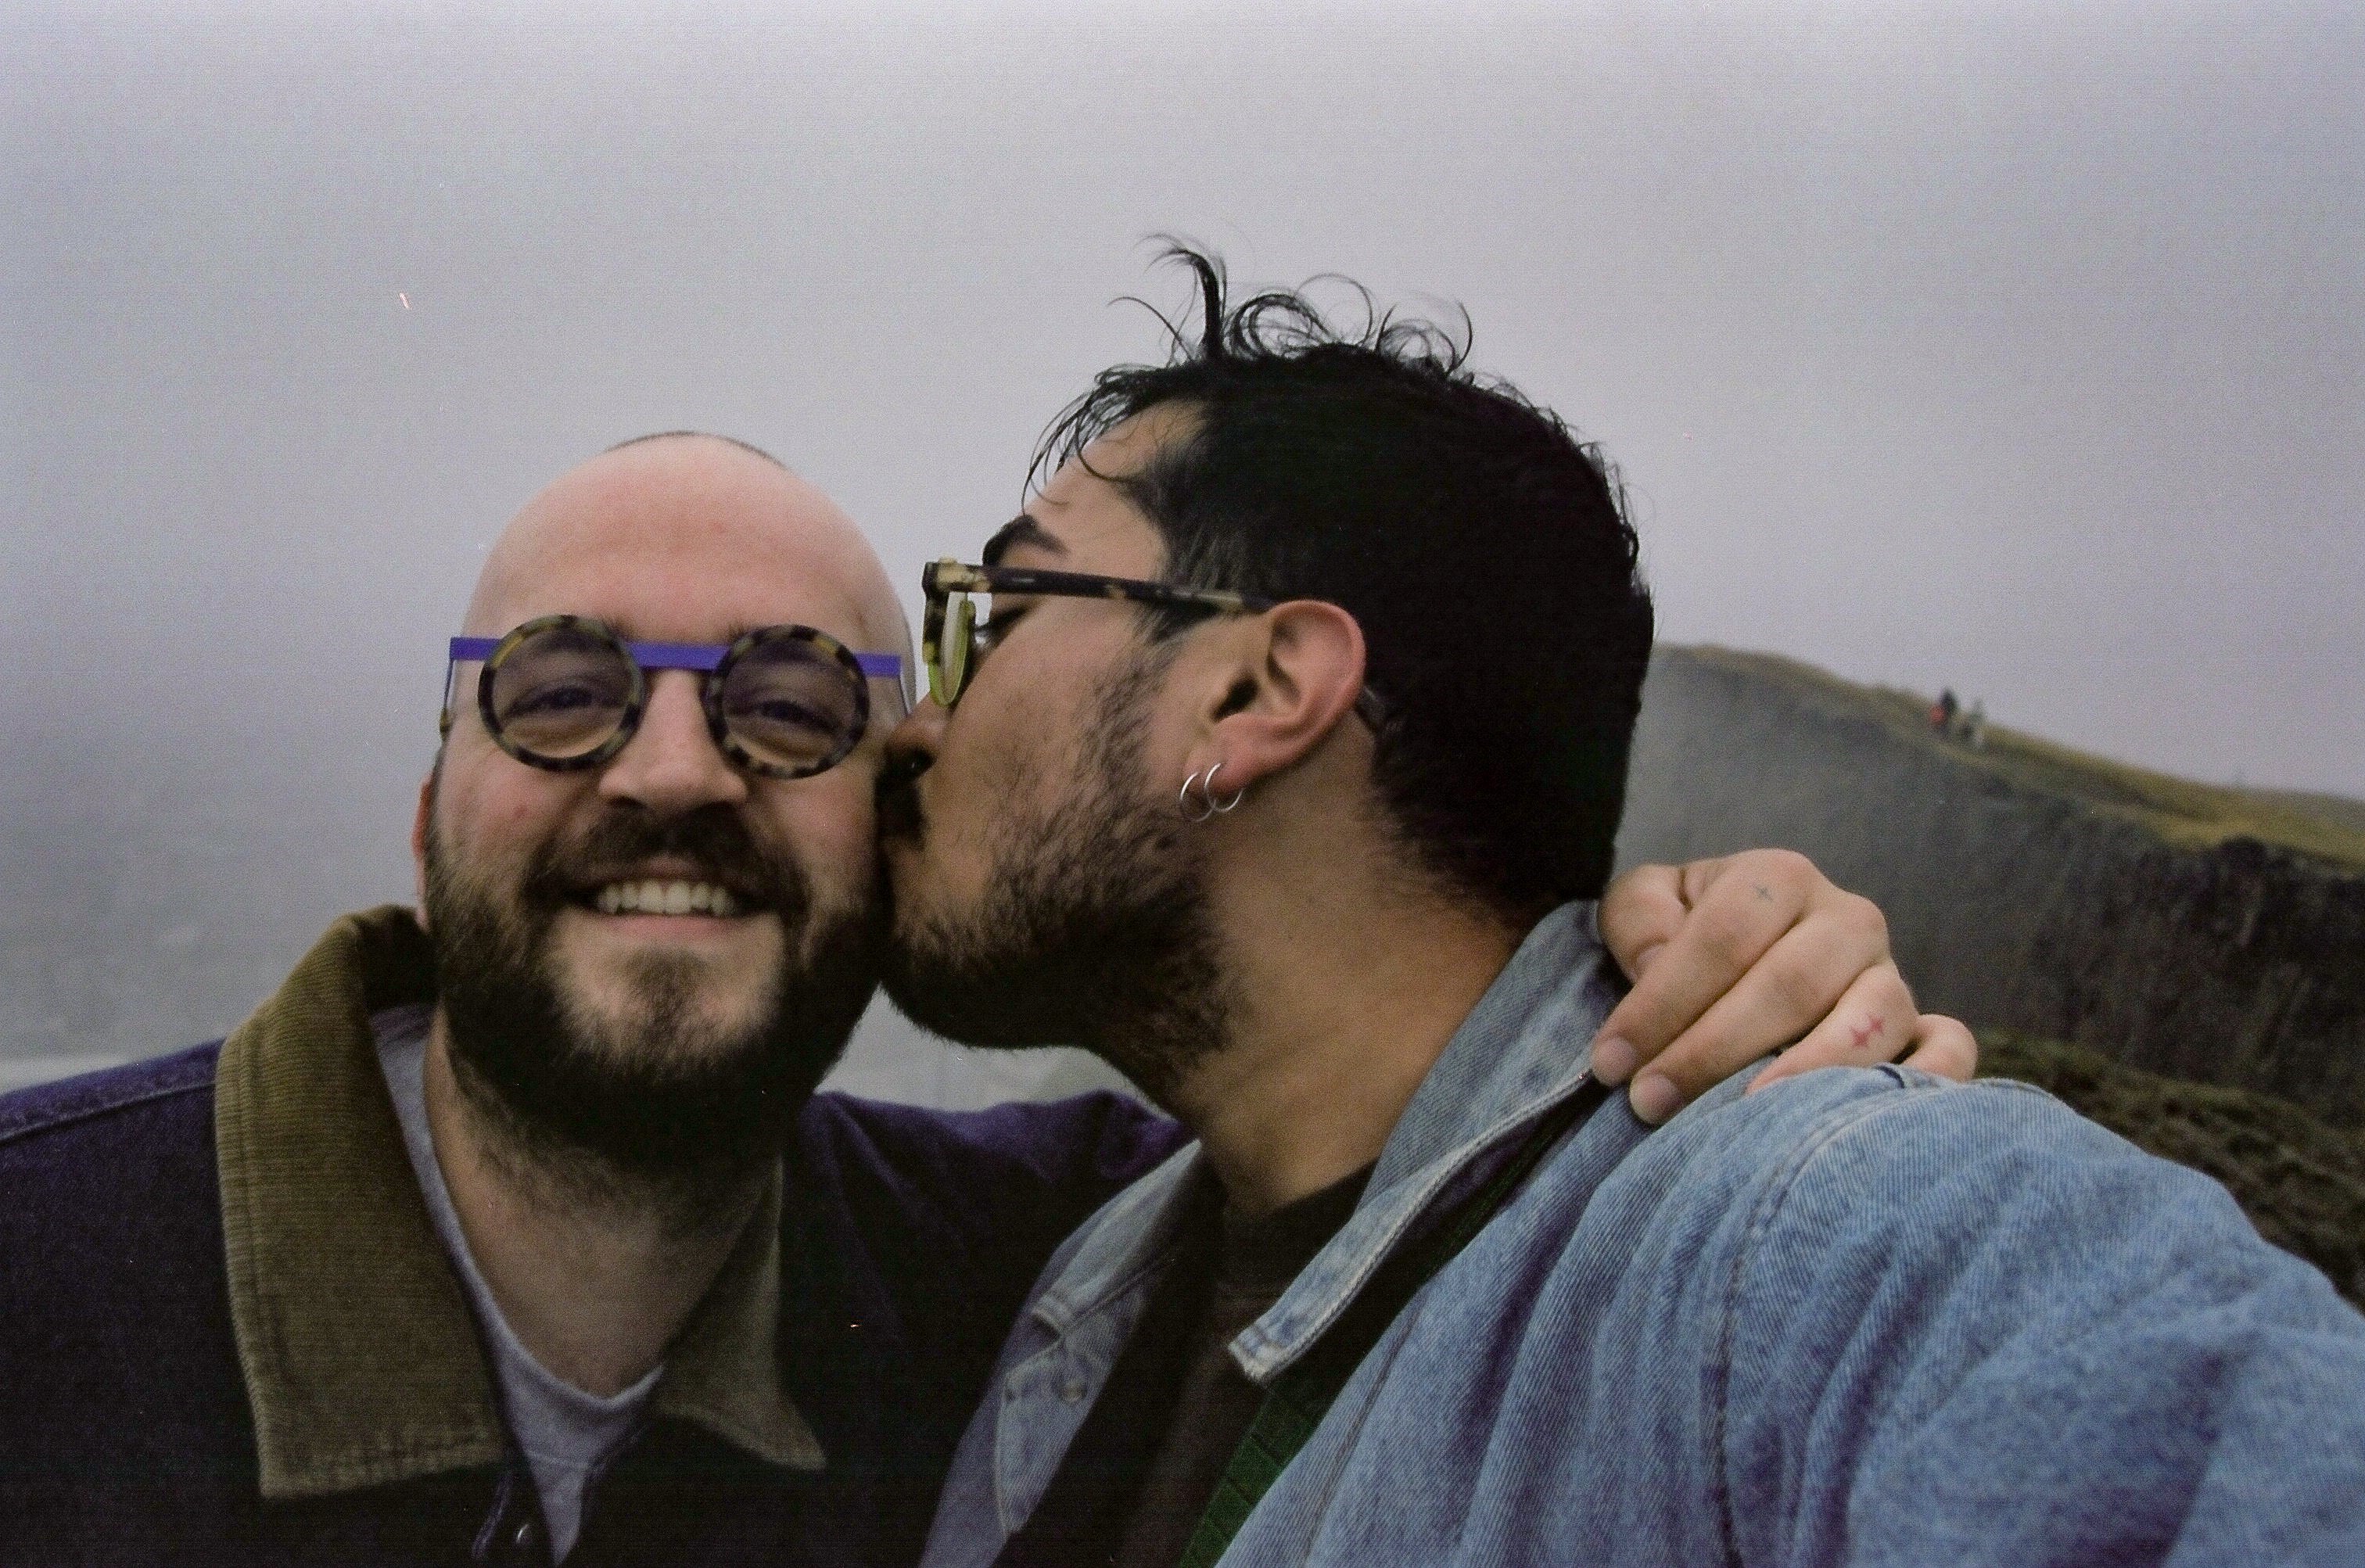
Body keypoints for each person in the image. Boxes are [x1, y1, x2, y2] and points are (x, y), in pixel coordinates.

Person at [0, 432, 1969, 1566]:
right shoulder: (39, 1271)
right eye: (561, 687)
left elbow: (1397, 1146)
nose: (671, 772)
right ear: (434, 804)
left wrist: (1728, 962)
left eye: (787, 704)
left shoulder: (1040, 1287)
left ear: (892, 815)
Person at [881, 253, 2365, 1568]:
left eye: (998, 613)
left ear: (1255, 689)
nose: (918, 723)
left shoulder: (1812, 1239)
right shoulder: (1072, 1272)